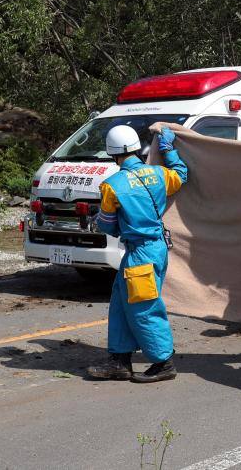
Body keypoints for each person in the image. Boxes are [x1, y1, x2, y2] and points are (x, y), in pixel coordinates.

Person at [87, 124, 188, 383]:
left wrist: (97, 218)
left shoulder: (111, 186)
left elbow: (108, 226)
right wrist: (168, 149)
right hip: (156, 249)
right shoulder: (160, 174)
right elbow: (181, 174)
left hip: (139, 253)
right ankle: (119, 361)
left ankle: (163, 362)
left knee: (144, 307)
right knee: (121, 302)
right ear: (135, 148)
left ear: (113, 154)